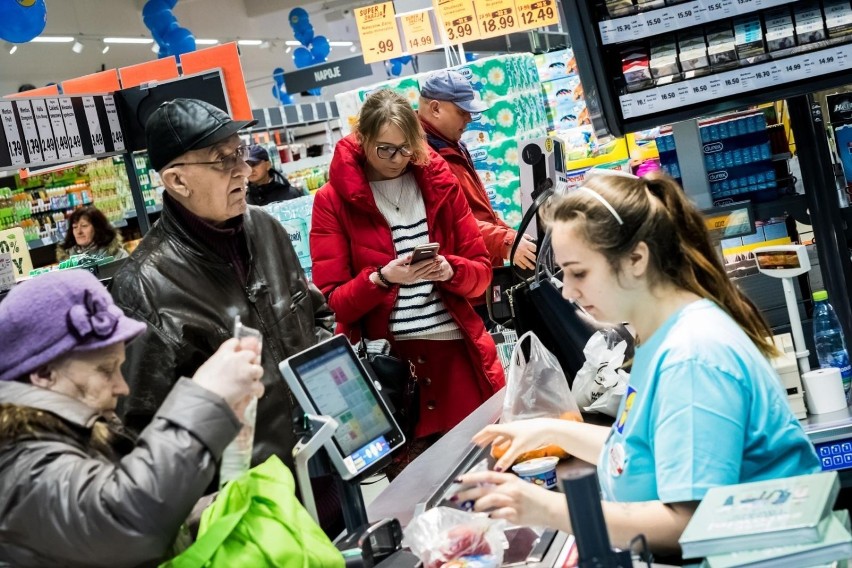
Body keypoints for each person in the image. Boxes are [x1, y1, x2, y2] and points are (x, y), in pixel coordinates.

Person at [456, 171, 821, 555]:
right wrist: (549, 431)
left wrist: (545, 508)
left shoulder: (691, 357)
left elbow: (691, 523)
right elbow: (636, 449)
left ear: (635, 259)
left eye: (578, 272)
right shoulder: (657, 336)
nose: (567, 291)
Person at [111, 98, 333, 476]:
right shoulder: (144, 286)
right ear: (177, 181)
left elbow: (317, 316)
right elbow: (142, 430)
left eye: (240, 153)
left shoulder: (266, 229)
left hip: (325, 462)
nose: (243, 169)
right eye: (222, 159)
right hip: (248, 503)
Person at [0, 269, 263, 567]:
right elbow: (120, 520)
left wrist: (217, 510)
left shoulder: (63, 434)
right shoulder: (16, 457)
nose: (122, 387)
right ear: (45, 374)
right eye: (105, 369)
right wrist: (206, 396)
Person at [310, 90, 505, 475]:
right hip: (394, 373)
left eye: (407, 149)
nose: (398, 160)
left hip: (460, 359)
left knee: (489, 481)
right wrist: (382, 278)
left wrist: (451, 270)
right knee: (422, 502)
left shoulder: (437, 181)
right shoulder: (332, 201)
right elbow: (335, 304)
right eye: (386, 149)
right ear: (362, 140)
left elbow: (481, 274)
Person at [417, 70, 537, 275]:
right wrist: (503, 241)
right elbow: (448, 221)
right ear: (435, 108)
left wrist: (510, 234)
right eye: (462, 111)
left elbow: (476, 210)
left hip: (480, 270)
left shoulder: (453, 145)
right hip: (460, 276)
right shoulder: (421, 156)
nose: (470, 119)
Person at [56, 205, 128, 262]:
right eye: (75, 227)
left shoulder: (119, 256)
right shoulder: (66, 260)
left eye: (84, 226)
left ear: (98, 228)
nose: (79, 232)